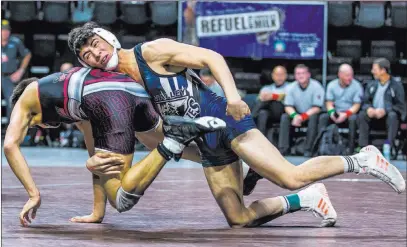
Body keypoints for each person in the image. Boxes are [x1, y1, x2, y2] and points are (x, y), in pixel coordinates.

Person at [68, 22, 405, 228]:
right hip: (206, 140)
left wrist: (231, 96)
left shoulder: (152, 52)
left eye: (94, 45)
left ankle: (362, 159)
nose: (94, 54)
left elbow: (211, 58)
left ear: (107, 38)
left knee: (288, 175)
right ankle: (308, 199)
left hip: (226, 119)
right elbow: (154, 133)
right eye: (86, 55)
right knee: (238, 219)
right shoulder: (123, 86)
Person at [4, 67, 226, 226]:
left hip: (108, 98)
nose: (48, 126)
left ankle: (173, 139)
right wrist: (97, 213)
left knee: (120, 197)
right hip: (132, 90)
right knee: (151, 140)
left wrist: (33, 195)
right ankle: (234, 158)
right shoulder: (71, 102)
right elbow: (97, 153)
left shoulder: (27, 97)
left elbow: (9, 145)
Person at [358, 58, 406, 151]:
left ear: (383, 70)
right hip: (373, 116)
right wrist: (369, 108)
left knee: (393, 115)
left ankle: (388, 146)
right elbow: (365, 102)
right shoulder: (371, 85)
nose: (372, 72)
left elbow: (400, 106)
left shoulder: (396, 86)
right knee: (362, 115)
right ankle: (363, 147)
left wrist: (385, 110)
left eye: (375, 69)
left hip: (388, 117)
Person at [278, 64, 324, 157]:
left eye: (303, 73)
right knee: (285, 117)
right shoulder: (290, 87)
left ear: (308, 75)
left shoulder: (317, 86)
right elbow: (288, 106)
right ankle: (283, 149)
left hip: (311, 114)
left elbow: (317, 108)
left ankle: (308, 149)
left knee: (314, 117)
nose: (300, 76)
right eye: (298, 73)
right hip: (297, 114)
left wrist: (302, 117)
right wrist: (295, 116)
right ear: (295, 76)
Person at [318, 64, 363, 154]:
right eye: (347, 75)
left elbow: (357, 105)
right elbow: (329, 102)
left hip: (349, 113)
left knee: (353, 119)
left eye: (351, 75)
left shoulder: (357, 86)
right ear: (340, 75)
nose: (350, 78)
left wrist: (346, 114)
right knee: (323, 117)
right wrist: (331, 112)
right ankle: (320, 147)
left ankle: (350, 150)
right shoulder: (332, 85)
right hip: (335, 112)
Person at [1, 19, 32, 122]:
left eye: (7, 30)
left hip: (8, 77)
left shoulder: (15, 42)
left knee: (11, 103)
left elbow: (27, 54)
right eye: (2, 30)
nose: (5, 32)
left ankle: (9, 130)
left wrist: (20, 71)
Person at [251, 65, 289, 137]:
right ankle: (260, 139)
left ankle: (250, 119)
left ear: (286, 75)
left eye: (281, 74)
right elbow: (259, 100)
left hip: (283, 111)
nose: (279, 77)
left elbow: (288, 97)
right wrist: (262, 97)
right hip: (270, 113)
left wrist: (273, 96)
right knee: (262, 113)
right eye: (277, 75)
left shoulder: (290, 87)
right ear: (272, 76)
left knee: (270, 101)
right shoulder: (267, 88)